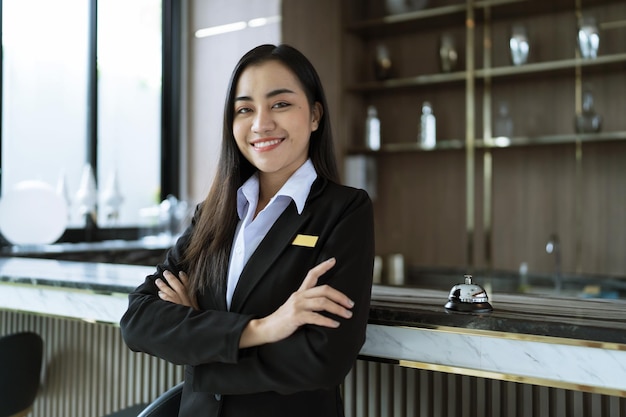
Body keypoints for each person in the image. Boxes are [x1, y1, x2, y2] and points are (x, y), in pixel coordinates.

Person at [120, 44, 374, 417]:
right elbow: (138, 321)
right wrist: (264, 328)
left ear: (316, 114)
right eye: (245, 109)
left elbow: (322, 359)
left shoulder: (344, 211)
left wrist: (199, 348)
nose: (261, 123)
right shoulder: (213, 214)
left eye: (280, 104)